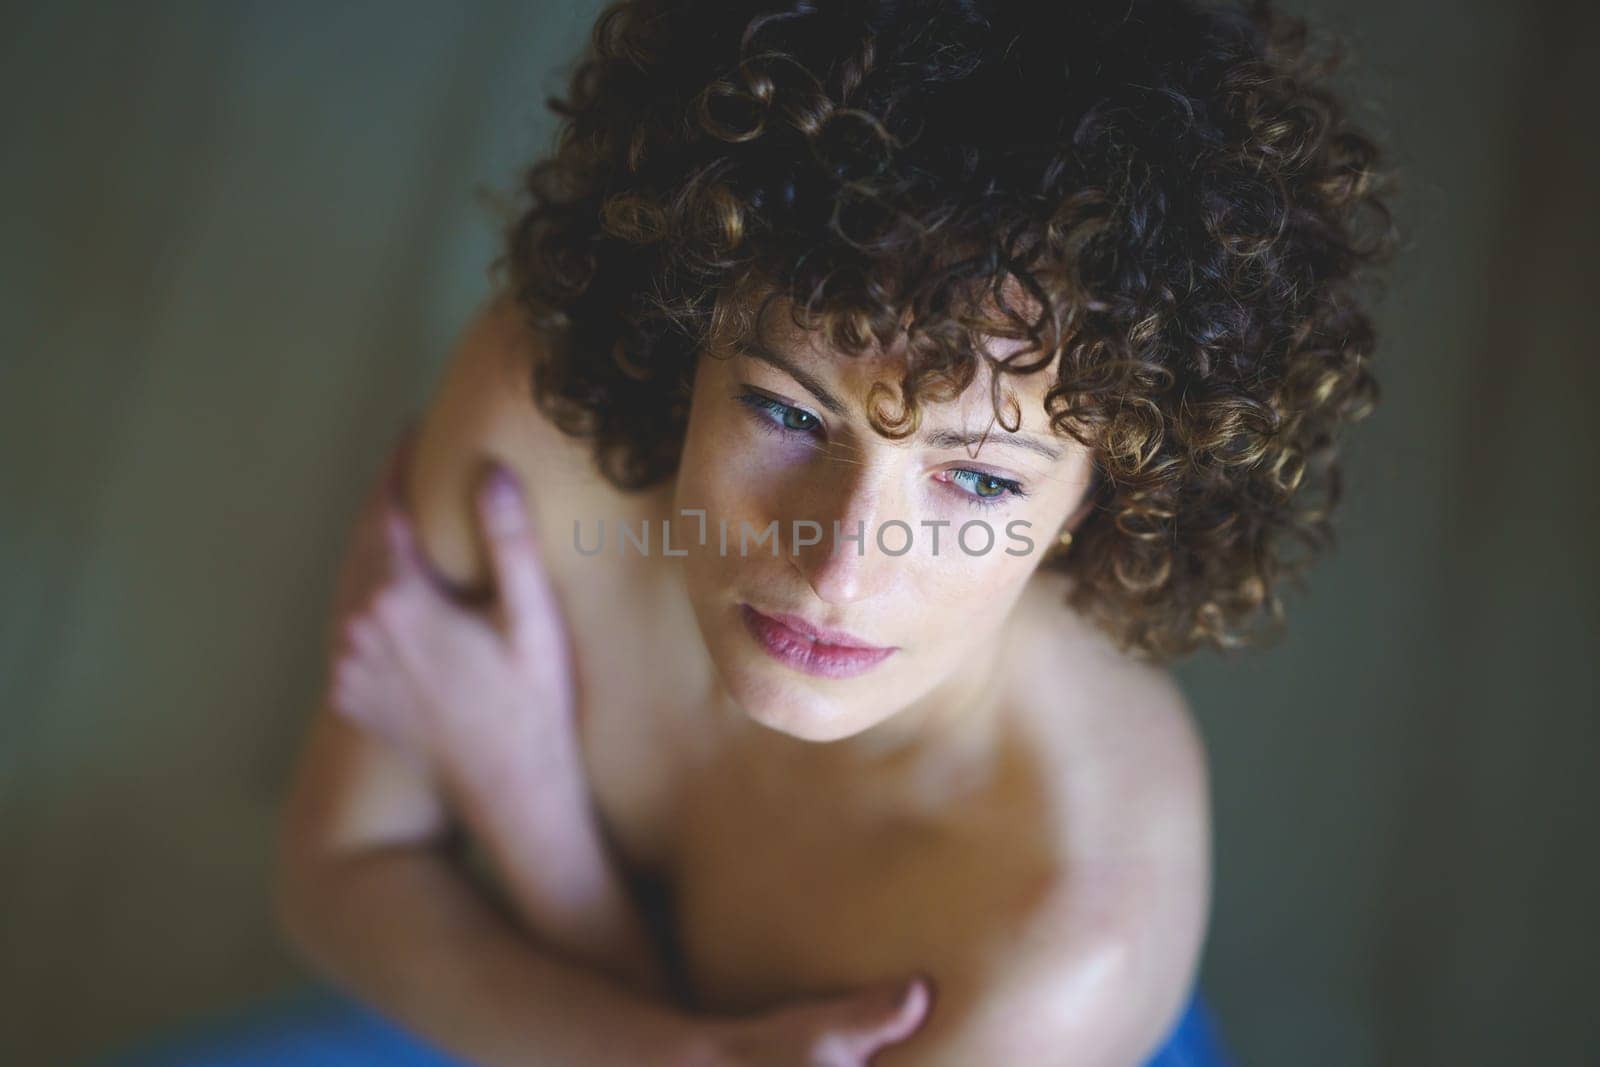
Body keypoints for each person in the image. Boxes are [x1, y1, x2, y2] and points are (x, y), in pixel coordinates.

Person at [267, 1, 1394, 1064]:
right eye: (785, 410)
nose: (839, 566)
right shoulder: (536, 430)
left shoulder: (1060, 944)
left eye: (980, 483)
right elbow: (338, 873)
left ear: (1111, 490)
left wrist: (531, 807)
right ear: (688, 320)